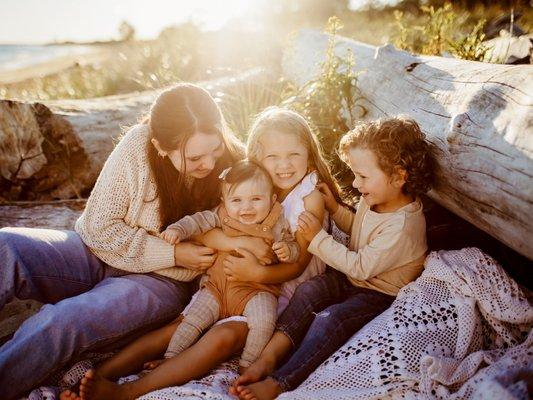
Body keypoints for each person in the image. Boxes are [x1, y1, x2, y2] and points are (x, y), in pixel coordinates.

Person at [71, 107, 341, 400]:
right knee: (179, 326)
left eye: (293, 155)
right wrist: (236, 245)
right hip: (226, 284)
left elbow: (298, 264)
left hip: (274, 296)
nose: (283, 165)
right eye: (272, 157)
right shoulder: (251, 186)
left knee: (222, 337)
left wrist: (258, 272)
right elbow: (207, 227)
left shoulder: (308, 197)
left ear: (309, 153)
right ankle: (99, 376)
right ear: (257, 158)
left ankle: (127, 392)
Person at [0, 82, 245, 400]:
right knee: (6, 247)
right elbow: (100, 228)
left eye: (215, 150)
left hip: (160, 284)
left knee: (62, 321)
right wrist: (171, 252)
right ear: (160, 145)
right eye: (195, 157)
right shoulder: (138, 146)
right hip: (96, 252)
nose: (209, 164)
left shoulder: (235, 165)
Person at [233, 116, 438, 400]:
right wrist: (335, 208)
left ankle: (281, 381)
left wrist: (317, 238)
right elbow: (359, 230)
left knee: (331, 320)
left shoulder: (402, 226)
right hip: (351, 279)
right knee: (309, 291)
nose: (355, 183)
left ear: (399, 176)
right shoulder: (376, 199)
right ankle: (267, 357)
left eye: (363, 176)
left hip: (378, 293)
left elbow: (361, 266)